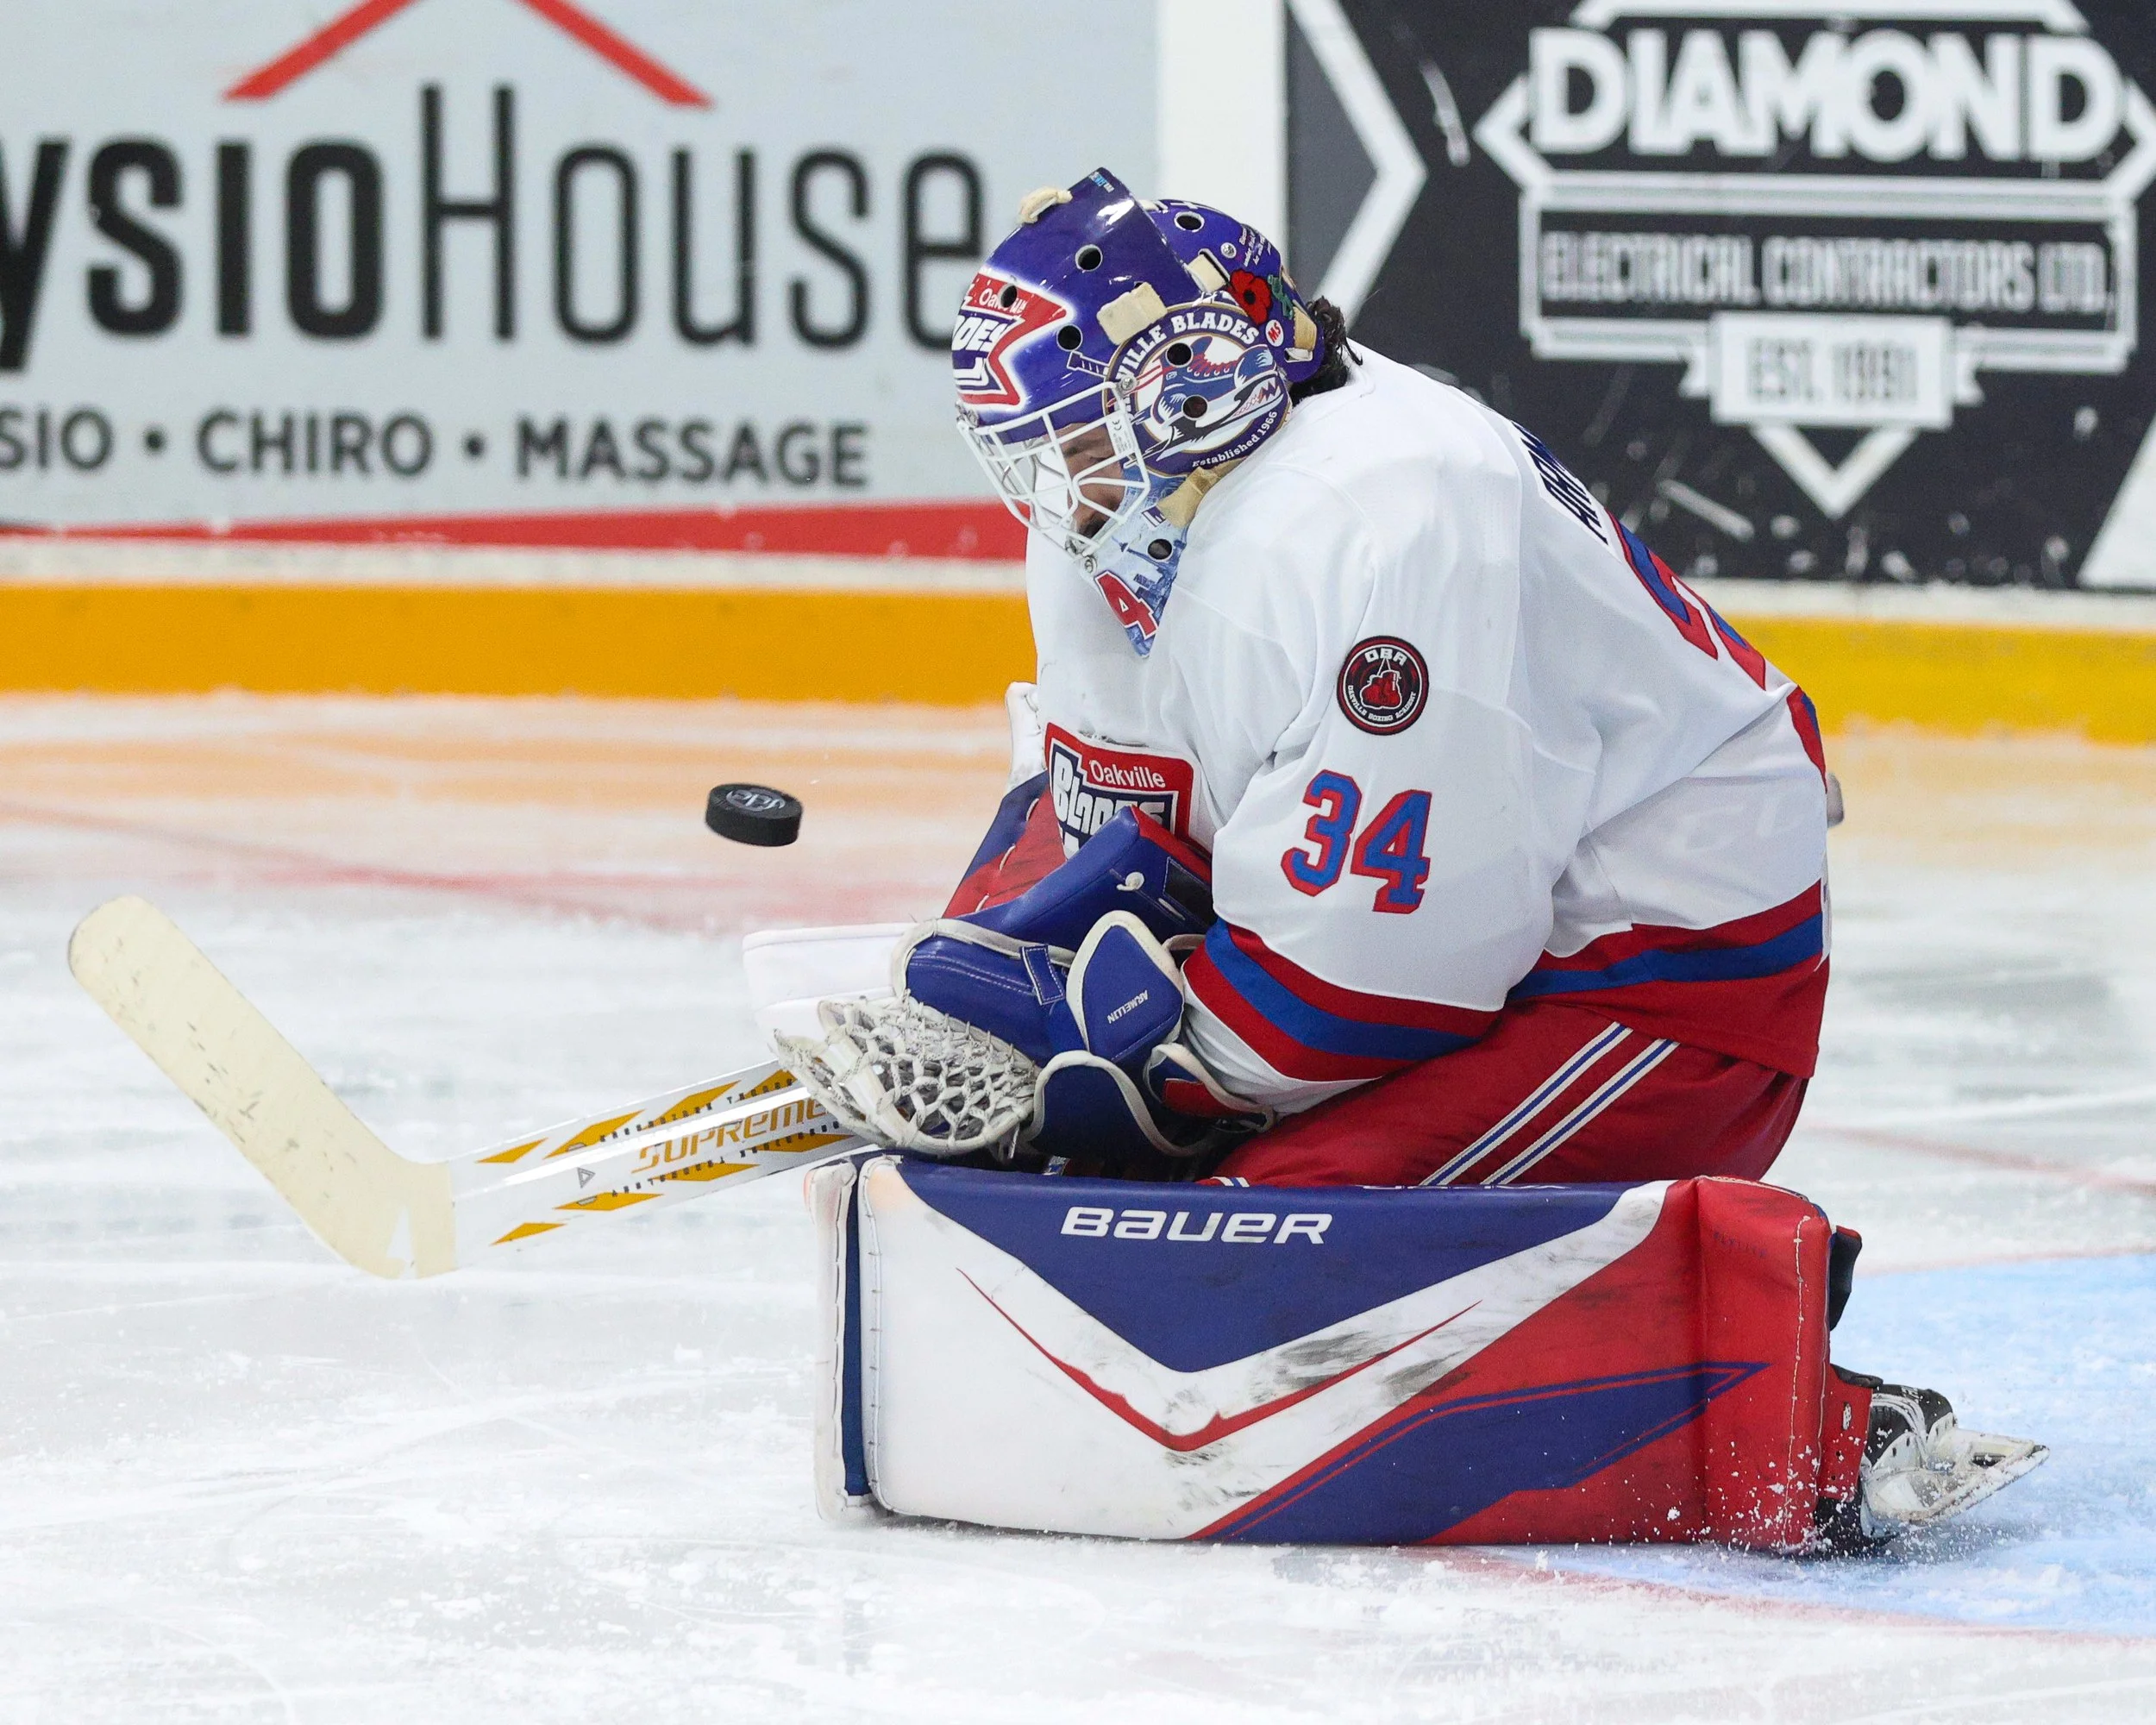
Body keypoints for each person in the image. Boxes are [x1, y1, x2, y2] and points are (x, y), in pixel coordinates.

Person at [906, 166, 1832, 1192]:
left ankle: (1727, 1310)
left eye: (1079, 447)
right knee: (1081, 1185)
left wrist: (1164, 1077)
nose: (1063, 499)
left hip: (1660, 974)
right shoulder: (1132, 518)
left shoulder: (1389, 512)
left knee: (1238, 1228)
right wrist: (981, 983)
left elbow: (1383, 980)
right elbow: (1120, 808)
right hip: (1469, 927)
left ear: (1195, 394)